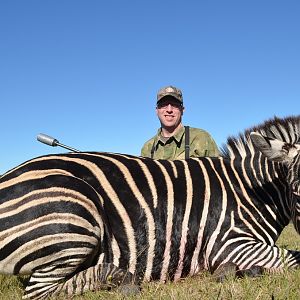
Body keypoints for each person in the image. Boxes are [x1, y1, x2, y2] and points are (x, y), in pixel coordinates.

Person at [141, 85, 219, 160]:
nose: (169, 110)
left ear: (182, 110)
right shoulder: (148, 148)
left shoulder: (202, 138)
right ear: (157, 110)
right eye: (164, 105)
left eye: (174, 105)